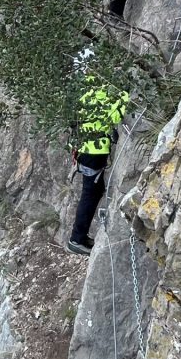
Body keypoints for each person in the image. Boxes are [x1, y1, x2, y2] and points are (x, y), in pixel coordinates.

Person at [68, 67, 130, 257]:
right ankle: (77, 239)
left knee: (93, 190)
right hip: (93, 151)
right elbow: (116, 115)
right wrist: (126, 95)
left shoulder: (81, 89)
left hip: (83, 148)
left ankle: (80, 237)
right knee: (90, 193)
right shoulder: (99, 91)